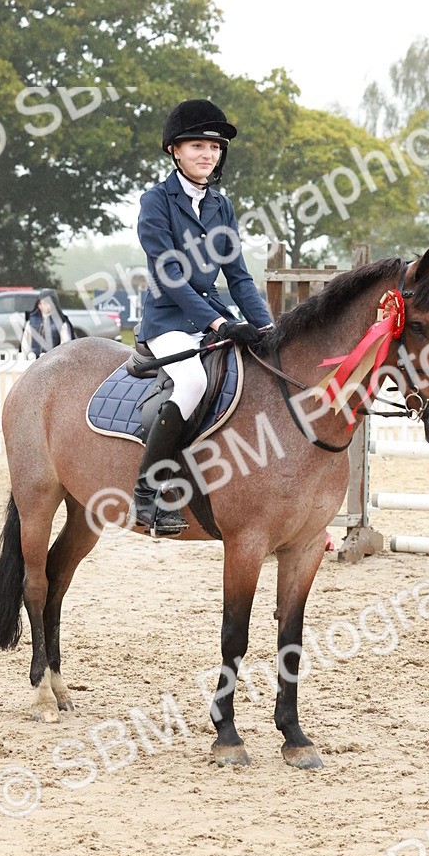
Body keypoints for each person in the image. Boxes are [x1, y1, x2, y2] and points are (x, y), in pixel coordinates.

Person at [133, 98, 273, 536]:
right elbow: (170, 276)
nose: (208, 155)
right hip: (167, 323)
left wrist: (266, 327)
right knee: (193, 381)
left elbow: (238, 276)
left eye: (214, 147)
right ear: (174, 150)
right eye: (197, 146)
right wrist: (219, 324)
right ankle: (147, 490)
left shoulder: (221, 207)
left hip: (211, 316)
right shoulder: (155, 202)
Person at [21, 289, 75, 357]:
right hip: (34, 360)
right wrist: (26, 355)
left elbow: (65, 344)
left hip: (52, 361)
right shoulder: (32, 321)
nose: (42, 306)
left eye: (45, 303)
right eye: (40, 303)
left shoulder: (61, 322)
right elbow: (26, 341)